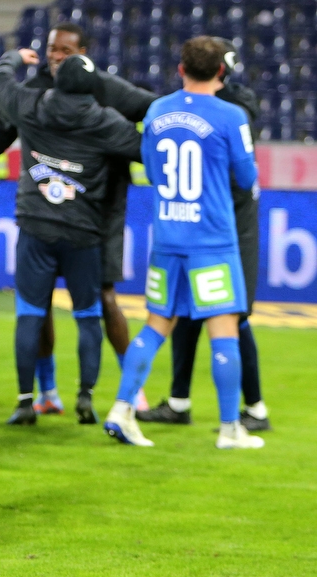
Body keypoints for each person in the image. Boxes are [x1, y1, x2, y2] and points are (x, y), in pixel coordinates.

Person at [0, 23, 156, 418]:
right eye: (52, 49)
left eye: (64, 50)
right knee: (81, 311)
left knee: (66, 305)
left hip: (76, 217)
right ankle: (70, 396)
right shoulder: (105, 118)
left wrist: (10, 60)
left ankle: (127, 389)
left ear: (81, 51)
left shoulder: (35, 100)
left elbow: (3, 87)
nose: (55, 57)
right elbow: (145, 148)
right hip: (85, 223)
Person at [102, 36, 264, 450]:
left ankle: (122, 409)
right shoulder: (231, 115)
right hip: (212, 240)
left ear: (180, 68)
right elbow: (246, 179)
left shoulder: (157, 110)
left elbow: (154, 172)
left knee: (157, 324)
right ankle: (231, 429)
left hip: (168, 237)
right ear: (222, 72)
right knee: (224, 328)